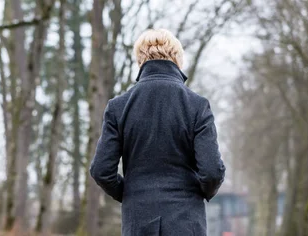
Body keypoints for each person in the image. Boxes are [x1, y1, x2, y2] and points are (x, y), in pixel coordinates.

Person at [89, 28, 225, 236]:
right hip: (186, 222)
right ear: (178, 59)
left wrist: (129, 193)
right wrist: (200, 192)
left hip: (138, 221)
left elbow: (101, 170)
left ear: (139, 61)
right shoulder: (197, 106)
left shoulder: (118, 107)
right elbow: (212, 172)